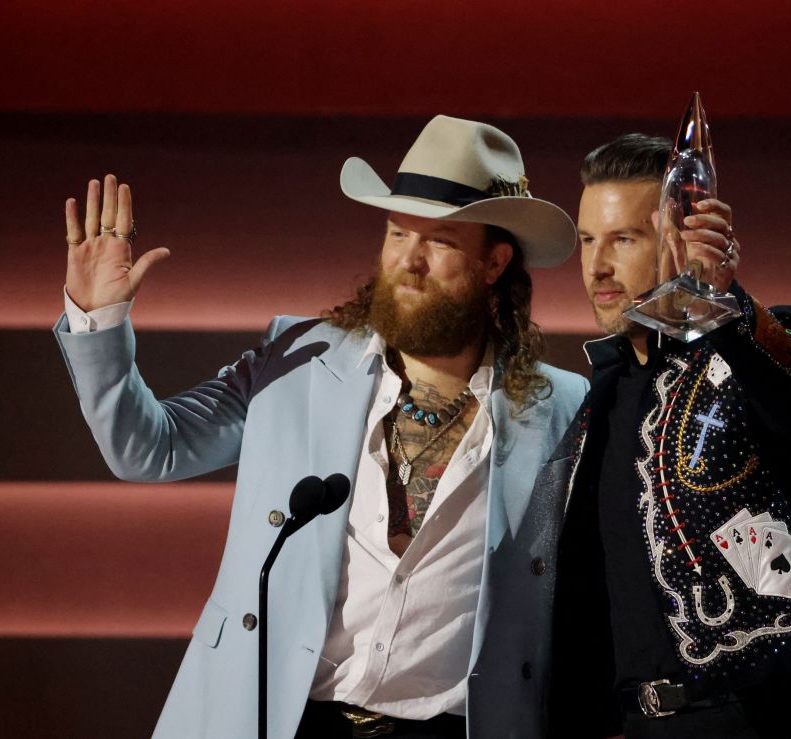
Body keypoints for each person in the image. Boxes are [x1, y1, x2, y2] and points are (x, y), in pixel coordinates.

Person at [54, 115, 589, 739]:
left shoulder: (560, 409)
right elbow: (149, 448)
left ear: (494, 262)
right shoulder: (297, 358)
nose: (407, 261)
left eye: (439, 241)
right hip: (283, 717)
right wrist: (99, 321)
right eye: (395, 233)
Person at [546, 134, 791, 738]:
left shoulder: (756, 342)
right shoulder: (596, 403)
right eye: (587, 240)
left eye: (624, 239)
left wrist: (725, 303)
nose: (597, 266)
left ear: (678, 238)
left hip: (765, 717)